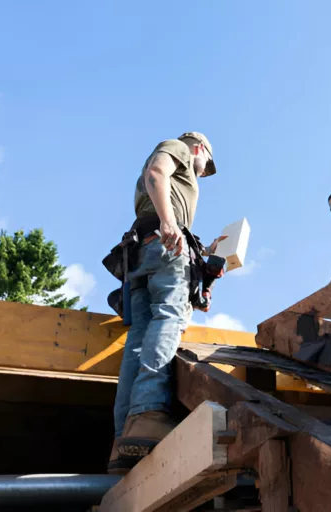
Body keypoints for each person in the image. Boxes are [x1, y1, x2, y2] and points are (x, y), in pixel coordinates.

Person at [107, 131, 217, 474]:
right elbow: (156, 172)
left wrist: (208, 253)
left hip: (142, 252)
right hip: (163, 245)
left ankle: (123, 438)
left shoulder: (175, 175)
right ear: (199, 148)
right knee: (169, 317)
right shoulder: (179, 148)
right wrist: (171, 223)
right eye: (205, 165)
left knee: (138, 339)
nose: (201, 172)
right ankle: (149, 412)